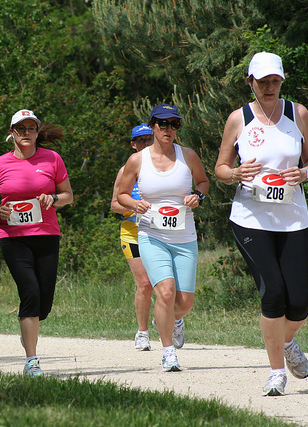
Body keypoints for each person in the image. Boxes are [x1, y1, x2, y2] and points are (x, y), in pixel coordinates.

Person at [214, 52, 308, 396]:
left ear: (282, 81)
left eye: (275, 81)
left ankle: (286, 342)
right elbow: (221, 168)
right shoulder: (238, 119)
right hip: (250, 219)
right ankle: (276, 373)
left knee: (300, 302)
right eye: (262, 81)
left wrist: (304, 172)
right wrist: (235, 174)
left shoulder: (297, 114)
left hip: (293, 219)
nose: (269, 87)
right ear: (250, 82)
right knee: (272, 293)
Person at [0, 109, 73, 377]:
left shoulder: (52, 159)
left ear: (36, 132)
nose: (26, 133)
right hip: (12, 237)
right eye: (20, 129)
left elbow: (68, 195)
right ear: (12, 133)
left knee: (44, 303)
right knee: (30, 292)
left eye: (31, 128)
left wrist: (53, 199)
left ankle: (28, 330)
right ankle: (32, 360)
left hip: (46, 235)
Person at [117, 104, 208, 372]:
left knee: (185, 303)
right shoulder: (137, 160)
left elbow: (203, 182)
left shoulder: (187, 156)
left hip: (184, 237)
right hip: (151, 234)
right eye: (163, 124)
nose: (169, 129)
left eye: (174, 124)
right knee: (165, 292)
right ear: (153, 125)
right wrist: (135, 206)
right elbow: (122, 195)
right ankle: (169, 353)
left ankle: (166, 320)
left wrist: (197, 196)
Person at [110, 124, 154, 351]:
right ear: (133, 144)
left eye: (149, 139)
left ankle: (169, 319)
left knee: (167, 283)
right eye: (141, 140)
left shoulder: (164, 167)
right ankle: (142, 332)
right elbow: (114, 204)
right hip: (132, 233)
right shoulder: (125, 170)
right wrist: (133, 208)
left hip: (159, 232)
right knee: (145, 284)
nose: (146, 144)